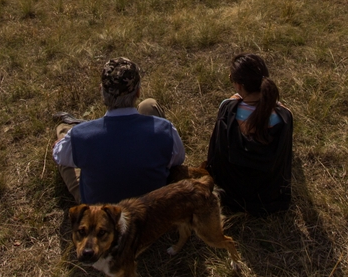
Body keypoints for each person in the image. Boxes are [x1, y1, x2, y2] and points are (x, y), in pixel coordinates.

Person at [53, 57, 186, 204]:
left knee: (63, 130)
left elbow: (59, 155)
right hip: (150, 213)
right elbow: (178, 159)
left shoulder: (79, 136)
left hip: (103, 216)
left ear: (101, 91)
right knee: (149, 105)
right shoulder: (165, 130)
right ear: (138, 92)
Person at [206, 53, 293, 215]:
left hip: (230, 196)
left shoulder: (227, 109)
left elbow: (216, 154)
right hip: (270, 199)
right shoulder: (284, 116)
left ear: (238, 85)